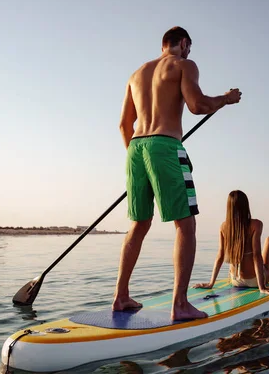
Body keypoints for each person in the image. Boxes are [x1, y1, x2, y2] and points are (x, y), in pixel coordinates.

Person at [113, 26, 242, 321]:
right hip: (165, 146)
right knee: (185, 225)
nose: (189, 53)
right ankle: (180, 304)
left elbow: (124, 125)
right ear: (183, 44)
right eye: (189, 47)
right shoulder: (184, 65)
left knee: (139, 224)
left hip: (135, 149)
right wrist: (226, 98)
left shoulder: (136, 74)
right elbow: (198, 106)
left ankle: (121, 296)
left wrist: (141, 159)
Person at [193, 190, 269, 297]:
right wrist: (262, 287)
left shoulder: (223, 227)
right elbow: (256, 256)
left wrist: (211, 283)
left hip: (235, 280)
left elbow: (220, 256)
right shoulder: (256, 224)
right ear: (246, 205)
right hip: (254, 281)